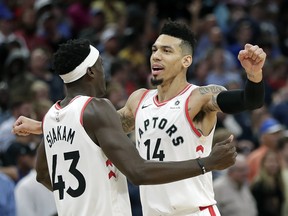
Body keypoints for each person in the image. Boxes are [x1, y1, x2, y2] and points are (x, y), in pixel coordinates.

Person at [13, 20, 266, 215]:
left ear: (186, 60)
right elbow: (97, 126)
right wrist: (41, 126)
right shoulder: (139, 100)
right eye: (154, 49)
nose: (156, 55)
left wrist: (254, 76)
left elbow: (248, 100)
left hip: (193, 210)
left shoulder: (199, 97)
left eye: (167, 50)